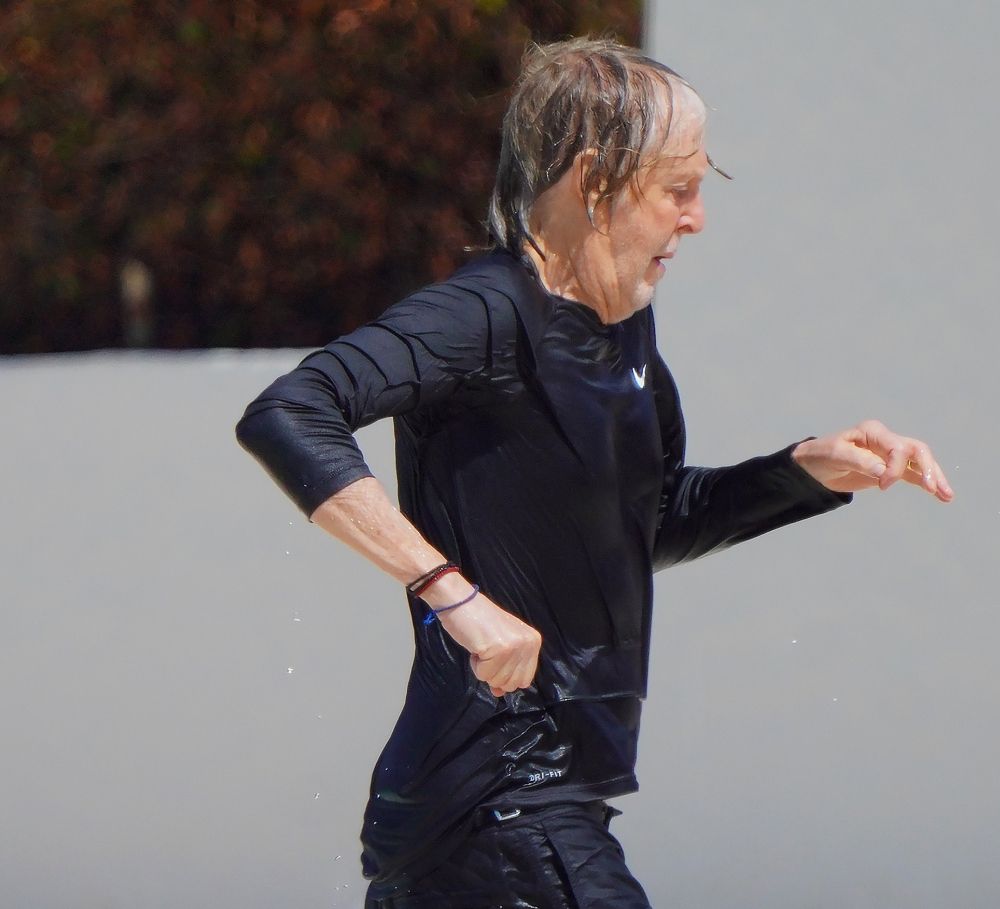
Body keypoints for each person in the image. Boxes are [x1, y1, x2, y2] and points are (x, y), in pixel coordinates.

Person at [237, 36, 953, 909]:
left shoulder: (624, 333)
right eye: (678, 189)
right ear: (594, 182)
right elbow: (291, 410)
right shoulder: (486, 313)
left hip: (526, 807)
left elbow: (650, 522)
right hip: (496, 802)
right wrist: (448, 591)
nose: (697, 218)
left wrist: (809, 471)